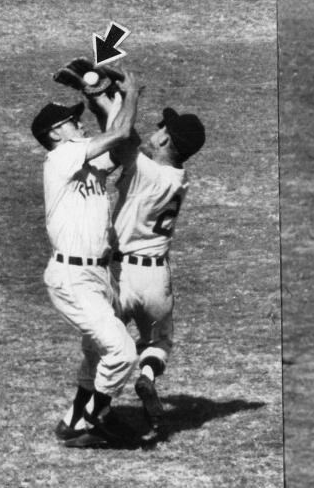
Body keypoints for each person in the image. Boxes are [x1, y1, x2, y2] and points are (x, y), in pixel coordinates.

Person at [33, 71, 142, 448]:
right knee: (122, 351)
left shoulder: (87, 164)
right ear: (54, 134)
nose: (78, 123)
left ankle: (73, 419)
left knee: (97, 354)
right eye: (70, 121)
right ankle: (96, 418)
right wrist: (129, 96)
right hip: (72, 275)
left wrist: (102, 97)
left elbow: (124, 141)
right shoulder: (61, 156)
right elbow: (118, 133)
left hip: (96, 275)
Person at [101, 105, 205, 434]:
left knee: (104, 343)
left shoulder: (144, 169)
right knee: (159, 340)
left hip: (120, 274)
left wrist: (110, 97)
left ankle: (99, 411)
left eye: (161, 128)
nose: (154, 130)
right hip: (158, 277)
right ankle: (146, 377)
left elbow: (121, 137)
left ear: (164, 140)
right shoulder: (180, 179)